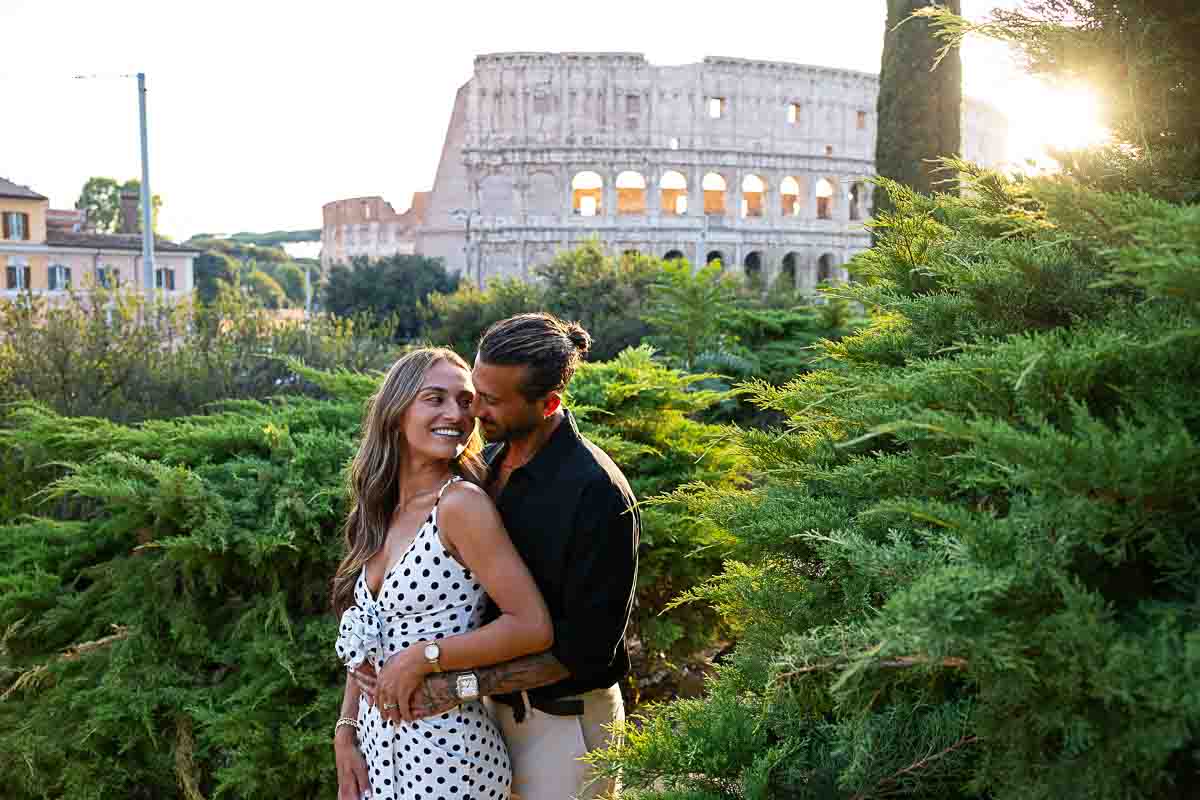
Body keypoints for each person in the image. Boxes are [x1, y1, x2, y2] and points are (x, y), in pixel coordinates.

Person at [357, 313, 640, 800]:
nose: (473, 413)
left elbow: (584, 654)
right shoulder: (485, 466)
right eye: (475, 392)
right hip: (480, 719)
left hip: (562, 725)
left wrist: (448, 682)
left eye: (488, 401)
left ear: (548, 403)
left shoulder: (596, 493)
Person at [331, 347, 554, 800]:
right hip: (377, 749)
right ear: (396, 412)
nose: (455, 413)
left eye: (465, 400)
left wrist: (424, 656)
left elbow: (532, 626)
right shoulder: (377, 509)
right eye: (434, 398)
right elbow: (364, 639)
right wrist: (346, 733)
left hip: (446, 755)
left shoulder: (460, 506)